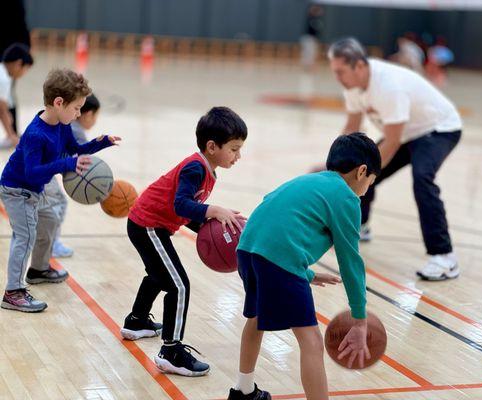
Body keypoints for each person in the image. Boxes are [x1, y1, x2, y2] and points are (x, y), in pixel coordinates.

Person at [227, 133, 381, 400]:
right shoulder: (346, 198)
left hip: (247, 249)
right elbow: (350, 261)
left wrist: (305, 273)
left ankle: (243, 390)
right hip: (278, 260)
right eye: (371, 181)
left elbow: (278, 225)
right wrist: (359, 319)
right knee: (311, 340)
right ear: (362, 171)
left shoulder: (309, 180)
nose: (367, 188)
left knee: (257, 319)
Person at [121, 106, 247, 377]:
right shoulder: (195, 167)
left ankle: (136, 321)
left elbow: (185, 210)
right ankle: (171, 350)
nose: (239, 156)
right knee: (179, 285)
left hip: (148, 223)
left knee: (159, 275)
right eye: (234, 149)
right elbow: (181, 205)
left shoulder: (205, 168)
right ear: (212, 146)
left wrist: (207, 225)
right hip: (148, 225)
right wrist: (213, 211)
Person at [328, 37, 462, 281]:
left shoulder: (388, 86)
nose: (337, 78)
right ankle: (361, 224)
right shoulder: (353, 87)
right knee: (359, 164)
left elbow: (393, 140)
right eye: (334, 72)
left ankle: (444, 257)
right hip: (406, 133)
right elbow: (352, 128)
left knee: (421, 178)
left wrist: (360, 175)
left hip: (438, 129)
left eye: (340, 72)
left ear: (358, 66)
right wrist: (335, 168)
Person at [0, 68, 121, 312]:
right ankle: (13, 291)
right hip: (18, 190)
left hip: (35, 188)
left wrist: (101, 143)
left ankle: (39, 269)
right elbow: (33, 171)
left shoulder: (62, 125)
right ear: (58, 102)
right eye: (76, 108)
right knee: (25, 236)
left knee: (50, 219)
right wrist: (67, 164)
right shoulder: (36, 134)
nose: (78, 114)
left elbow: (76, 149)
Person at [48, 94, 101, 258]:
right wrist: (100, 187)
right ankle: (51, 244)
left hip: (42, 168)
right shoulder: (76, 132)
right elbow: (79, 164)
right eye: (96, 116)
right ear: (89, 114)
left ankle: (46, 241)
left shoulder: (69, 125)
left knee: (48, 206)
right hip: (42, 170)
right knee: (59, 202)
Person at [0, 43, 33, 148]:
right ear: (18, 63)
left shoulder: (3, 72)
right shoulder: (4, 78)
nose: (24, 73)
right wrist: (12, 136)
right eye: (26, 69)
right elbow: (2, 110)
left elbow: (4, 109)